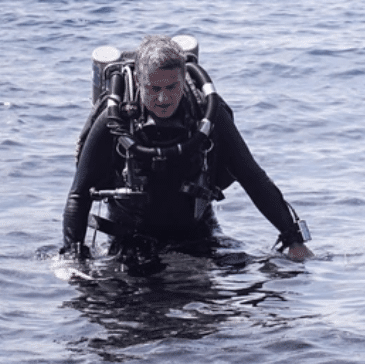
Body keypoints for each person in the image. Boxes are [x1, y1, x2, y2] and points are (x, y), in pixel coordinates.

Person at [61, 35, 312, 268]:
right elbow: (79, 195)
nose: (162, 99)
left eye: (171, 88)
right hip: (129, 236)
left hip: (197, 232)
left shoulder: (207, 114)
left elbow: (253, 178)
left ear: (183, 79)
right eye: (154, 89)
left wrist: (293, 241)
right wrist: (73, 257)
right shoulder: (115, 121)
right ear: (139, 82)